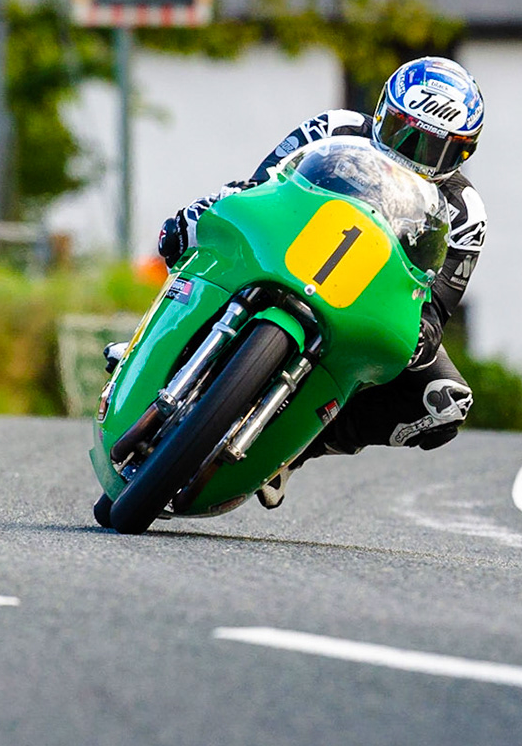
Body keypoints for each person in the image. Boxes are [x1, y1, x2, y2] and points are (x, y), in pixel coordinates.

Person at [137, 56, 488, 509]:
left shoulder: (464, 211)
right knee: (188, 235)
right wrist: (204, 211)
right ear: (382, 112)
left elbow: (436, 308)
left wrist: (417, 335)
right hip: (287, 251)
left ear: (462, 155)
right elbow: (260, 188)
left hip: (370, 298)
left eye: (436, 150)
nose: (412, 154)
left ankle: (294, 450)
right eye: (404, 133)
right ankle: (158, 343)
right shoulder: (334, 128)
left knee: (443, 404)